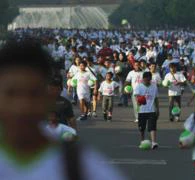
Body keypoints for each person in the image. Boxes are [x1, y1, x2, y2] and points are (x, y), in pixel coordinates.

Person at [0, 40, 127, 180]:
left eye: (33, 94)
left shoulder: (82, 167)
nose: (22, 106)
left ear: (48, 98)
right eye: (11, 93)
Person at [134, 72, 159, 149]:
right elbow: (136, 97)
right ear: (143, 79)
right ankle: (142, 141)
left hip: (151, 110)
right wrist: (140, 101)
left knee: (152, 127)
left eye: (149, 79)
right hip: (141, 110)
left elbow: (156, 99)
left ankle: (154, 142)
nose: (148, 81)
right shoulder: (139, 86)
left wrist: (157, 109)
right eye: (146, 79)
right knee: (142, 128)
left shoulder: (154, 87)